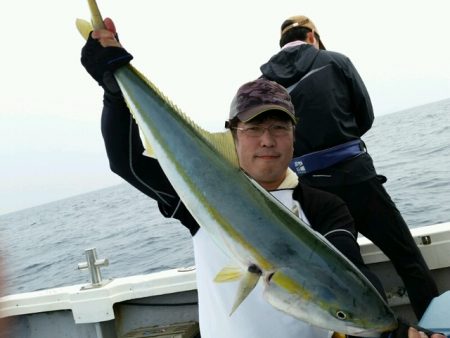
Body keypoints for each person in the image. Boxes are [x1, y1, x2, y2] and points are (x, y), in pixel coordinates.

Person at [80, 18, 444, 338]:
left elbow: (345, 274)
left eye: (279, 127)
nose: (267, 140)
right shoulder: (202, 196)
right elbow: (126, 163)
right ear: (234, 134)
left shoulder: (323, 206)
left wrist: (394, 332)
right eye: (254, 128)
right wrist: (114, 91)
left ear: (294, 135)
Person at [259, 15, 439, 320]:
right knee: (407, 258)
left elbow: (273, 139)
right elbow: (365, 115)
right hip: (357, 177)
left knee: (348, 274)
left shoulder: (265, 84)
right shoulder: (335, 61)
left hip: (311, 192)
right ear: (312, 37)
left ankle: (380, 330)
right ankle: (435, 327)